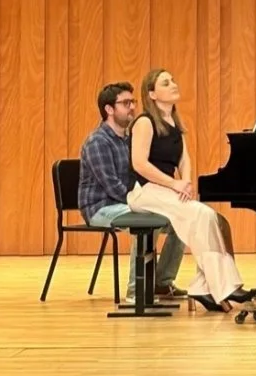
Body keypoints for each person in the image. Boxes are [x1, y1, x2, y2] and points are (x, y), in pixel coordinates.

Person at [126, 68, 256, 312]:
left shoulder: (174, 123)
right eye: (166, 83)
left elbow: (184, 159)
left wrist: (185, 183)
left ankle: (204, 287)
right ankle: (220, 287)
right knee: (203, 215)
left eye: (173, 80)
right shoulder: (144, 122)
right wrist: (174, 184)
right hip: (144, 191)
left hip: (164, 189)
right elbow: (139, 164)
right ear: (152, 94)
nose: (173, 84)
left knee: (208, 218)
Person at [78, 82, 187, 302]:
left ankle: (162, 282)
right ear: (109, 109)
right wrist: (144, 201)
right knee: (147, 217)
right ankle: (136, 290)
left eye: (133, 102)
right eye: (126, 103)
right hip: (101, 208)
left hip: (126, 202)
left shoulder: (130, 139)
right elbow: (111, 185)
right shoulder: (97, 142)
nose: (132, 107)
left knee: (181, 218)